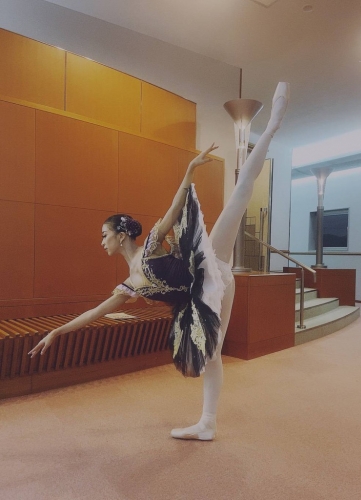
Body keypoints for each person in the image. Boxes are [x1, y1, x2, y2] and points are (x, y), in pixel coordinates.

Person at [29, 82, 290, 440]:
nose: (101, 241)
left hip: (209, 265)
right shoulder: (129, 286)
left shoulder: (150, 246)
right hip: (204, 298)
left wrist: (190, 170)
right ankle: (208, 423)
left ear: (122, 235)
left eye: (104, 234)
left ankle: (272, 124)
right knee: (212, 354)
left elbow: (173, 209)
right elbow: (95, 313)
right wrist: (57, 331)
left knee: (240, 194)